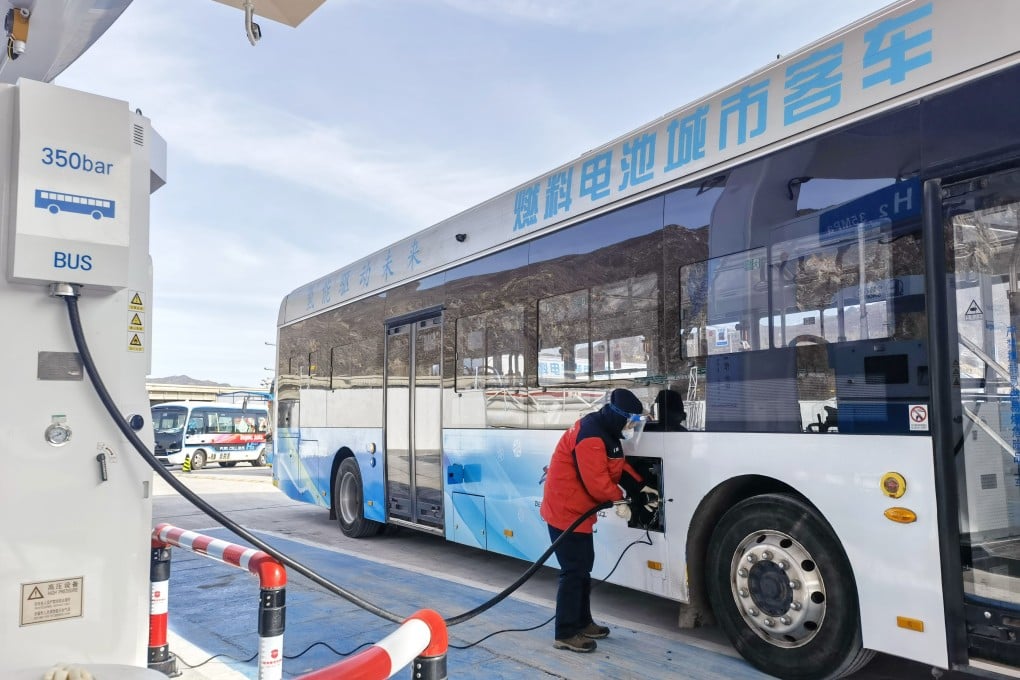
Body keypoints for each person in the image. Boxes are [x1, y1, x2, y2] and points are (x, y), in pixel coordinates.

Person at [539, 388, 657, 653]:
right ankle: (566, 632)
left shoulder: (604, 430)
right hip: (565, 511)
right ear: (618, 417)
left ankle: (583, 621)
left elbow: (616, 465)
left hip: (578, 511)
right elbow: (596, 481)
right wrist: (619, 500)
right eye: (629, 421)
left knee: (583, 567)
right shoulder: (591, 436)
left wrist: (640, 487)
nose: (629, 427)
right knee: (573, 571)